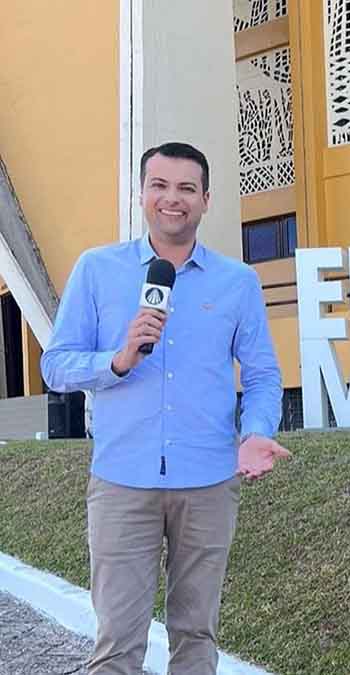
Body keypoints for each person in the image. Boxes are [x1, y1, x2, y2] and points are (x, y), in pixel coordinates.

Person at [41, 141, 291, 674]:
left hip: (207, 480)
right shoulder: (97, 270)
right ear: (141, 195)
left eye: (185, 189)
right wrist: (119, 359)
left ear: (205, 200)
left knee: (196, 637)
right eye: (159, 186)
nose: (171, 199)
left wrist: (256, 431)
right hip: (122, 480)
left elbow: (264, 375)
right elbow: (56, 365)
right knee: (116, 644)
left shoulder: (237, 282)